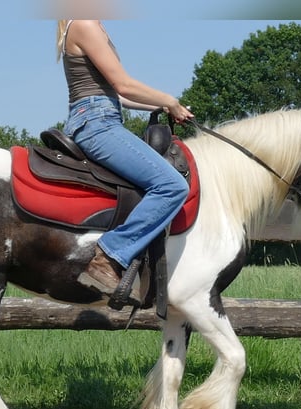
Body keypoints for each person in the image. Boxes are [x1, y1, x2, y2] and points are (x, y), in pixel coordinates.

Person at [56, 19, 194, 306]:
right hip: (97, 123)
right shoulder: (83, 23)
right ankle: (108, 256)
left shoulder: (90, 25)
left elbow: (117, 94)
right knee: (172, 185)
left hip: (103, 116)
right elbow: (124, 84)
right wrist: (168, 98)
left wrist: (163, 106)